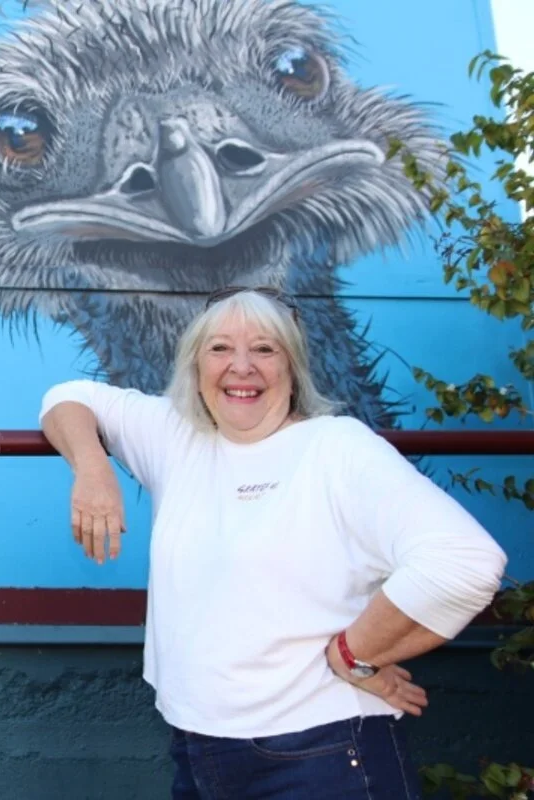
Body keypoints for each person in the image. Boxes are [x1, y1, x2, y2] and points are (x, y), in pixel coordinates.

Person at [38, 286, 507, 799]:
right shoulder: (176, 436)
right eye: (220, 348)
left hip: (323, 754)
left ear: (293, 366)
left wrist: (354, 655)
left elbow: (466, 559)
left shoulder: (336, 448)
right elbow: (67, 398)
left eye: (264, 348)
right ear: (195, 365)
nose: (241, 367)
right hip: (198, 749)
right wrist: (94, 469)